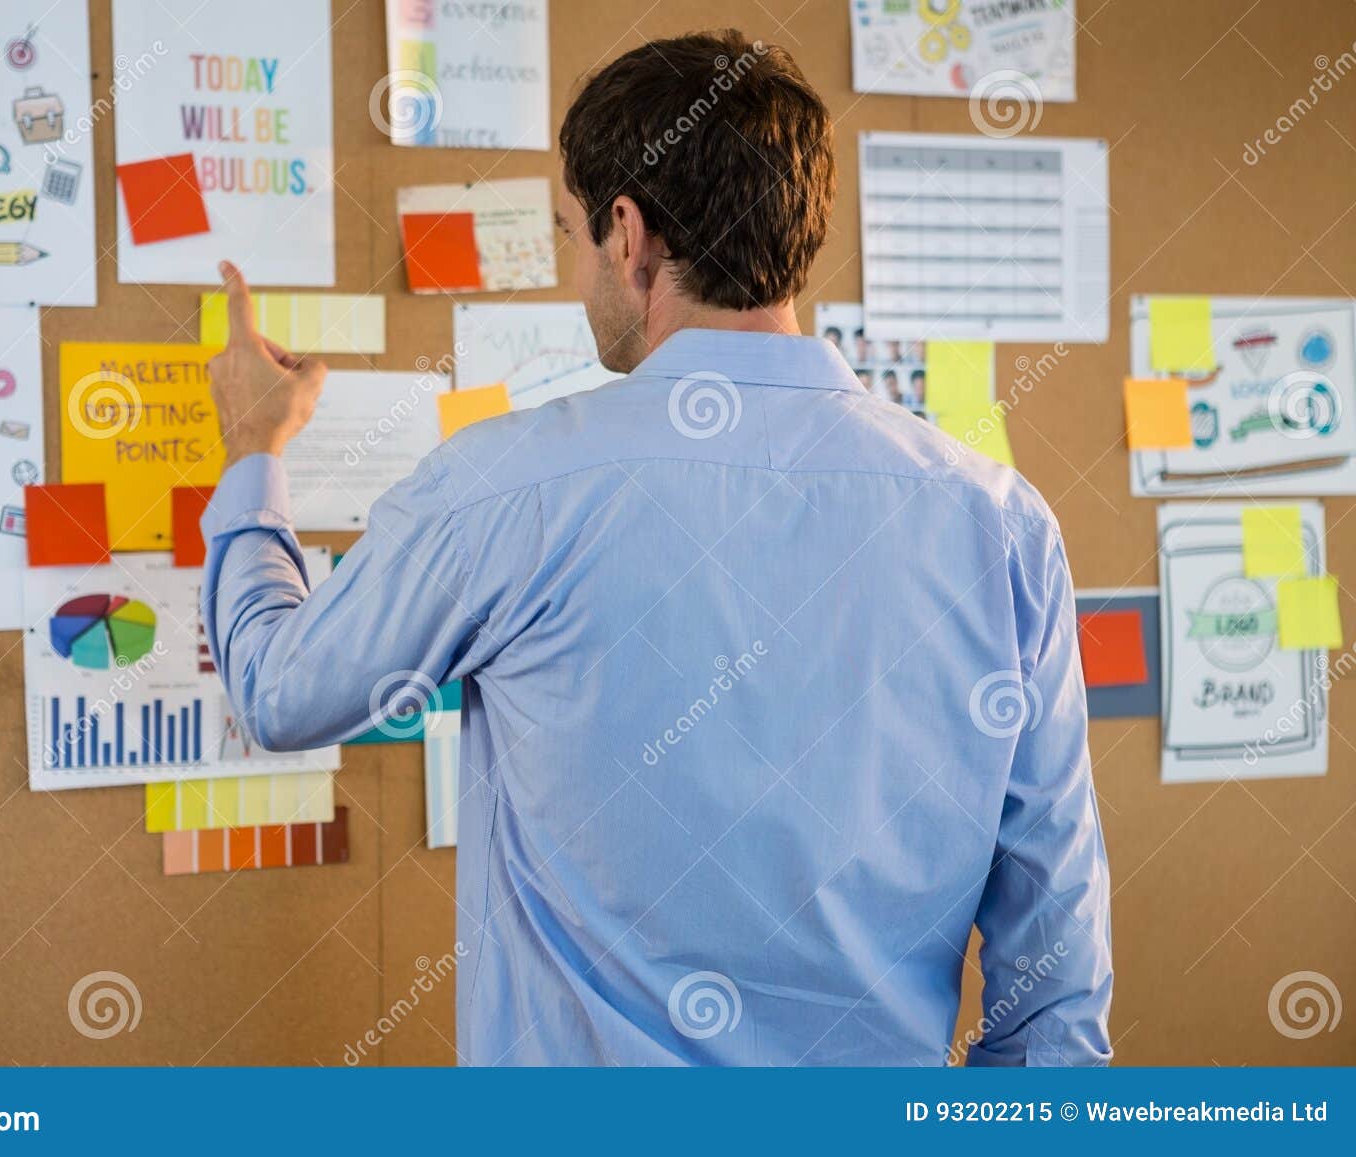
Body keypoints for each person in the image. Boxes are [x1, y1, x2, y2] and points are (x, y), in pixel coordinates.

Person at [201, 29, 1112, 1066]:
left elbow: (280, 692)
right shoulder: (997, 520)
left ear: (627, 234)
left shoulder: (506, 487)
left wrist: (254, 453)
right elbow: (1056, 967)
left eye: (571, 236)